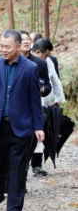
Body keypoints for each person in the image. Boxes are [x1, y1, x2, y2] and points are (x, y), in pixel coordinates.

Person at [0, 29, 44, 211]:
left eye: (7, 46)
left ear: (18, 46)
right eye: (1, 46)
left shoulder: (30, 68)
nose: (4, 50)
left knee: (18, 168)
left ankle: (14, 207)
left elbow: (35, 100)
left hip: (20, 127)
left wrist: (38, 127)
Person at [30, 38, 65, 176]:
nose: (48, 57)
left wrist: (59, 98)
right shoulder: (24, 60)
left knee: (41, 133)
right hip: (27, 105)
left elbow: (54, 80)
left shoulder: (47, 61)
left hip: (44, 103)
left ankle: (37, 165)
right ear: (38, 52)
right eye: (46, 54)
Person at [19, 31, 52, 98]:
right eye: (22, 40)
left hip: (32, 101)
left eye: (27, 39)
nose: (26, 42)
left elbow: (47, 84)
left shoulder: (40, 63)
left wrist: (43, 89)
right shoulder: (10, 62)